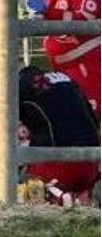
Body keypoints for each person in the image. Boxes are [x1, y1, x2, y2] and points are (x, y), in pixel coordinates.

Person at [26, 0, 101, 117]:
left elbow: (85, 18)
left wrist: (48, 11)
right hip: (66, 65)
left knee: (91, 114)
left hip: (86, 63)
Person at [18, 66, 100, 203]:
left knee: (21, 181)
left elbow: (4, 127)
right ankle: (82, 198)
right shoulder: (67, 81)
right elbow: (93, 119)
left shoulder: (22, 88)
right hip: (91, 162)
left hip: (56, 166)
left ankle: (53, 200)